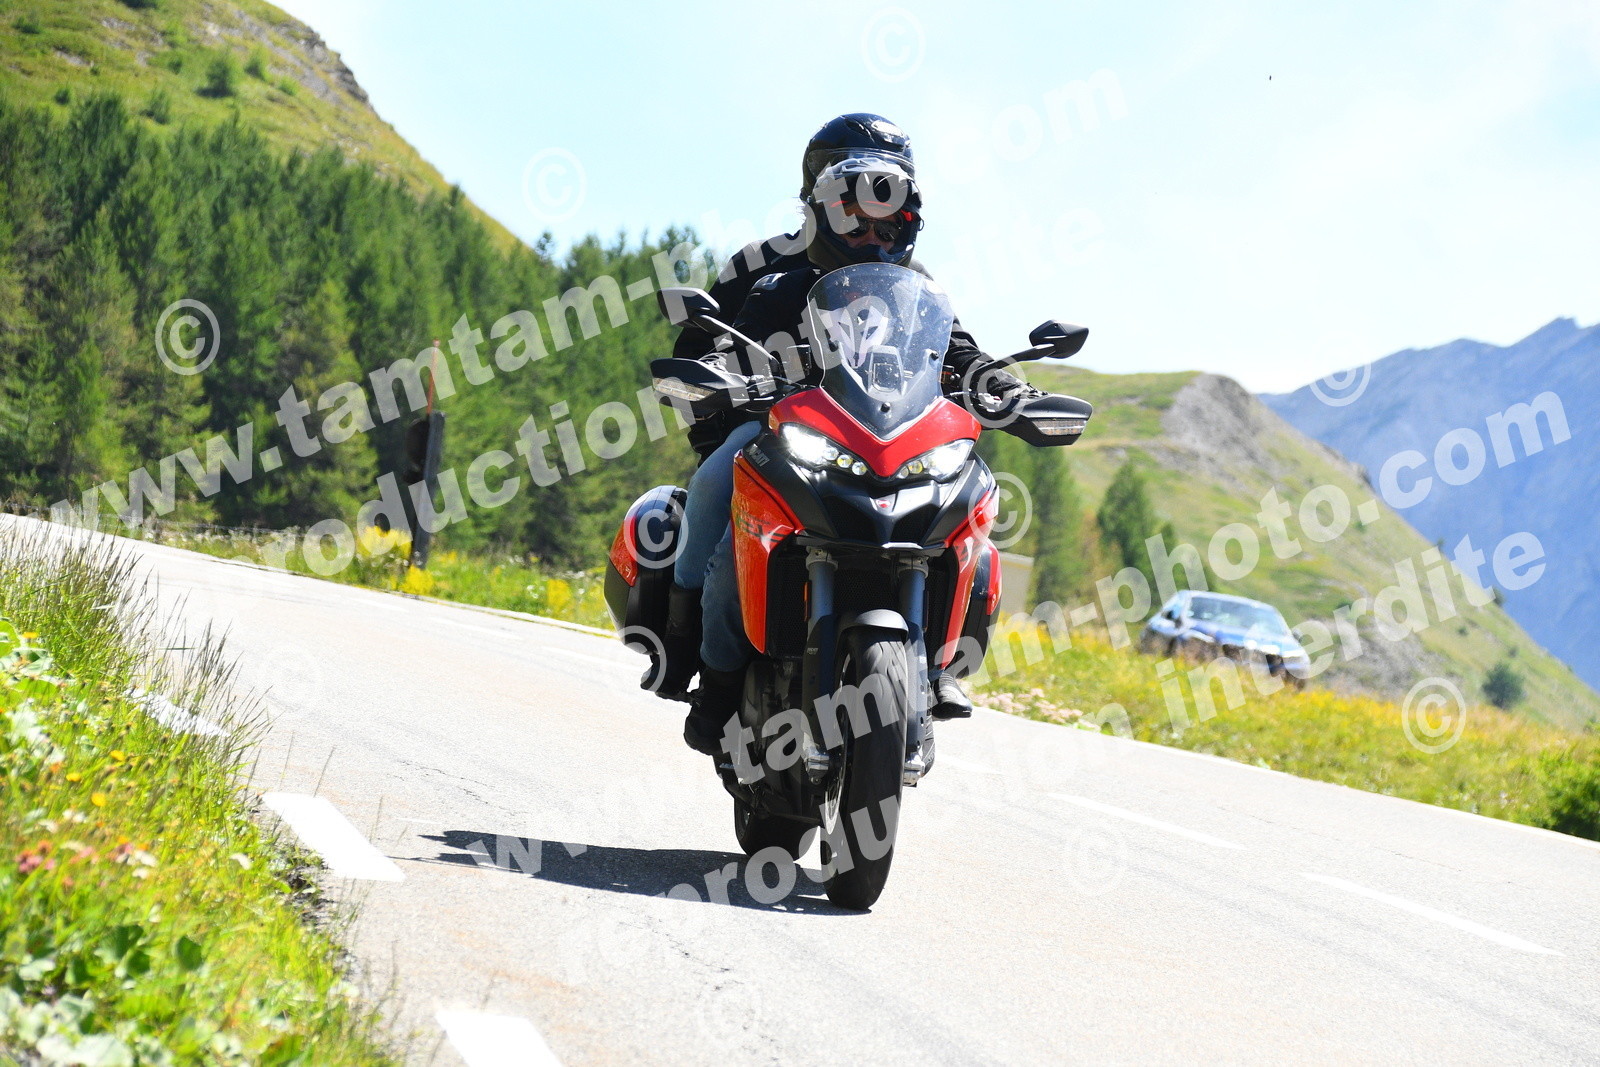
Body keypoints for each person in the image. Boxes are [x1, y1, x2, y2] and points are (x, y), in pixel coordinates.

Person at [670, 155, 1039, 754]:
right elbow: (736, 346)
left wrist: (1007, 388)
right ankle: (708, 672)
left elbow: (962, 354)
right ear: (825, 222)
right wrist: (721, 372)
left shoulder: (922, 297)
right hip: (792, 433)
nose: (871, 238)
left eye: (885, 228)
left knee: (968, 523)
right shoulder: (780, 287)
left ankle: (935, 666)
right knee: (720, 494)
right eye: (856, 224)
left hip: (896, 442)